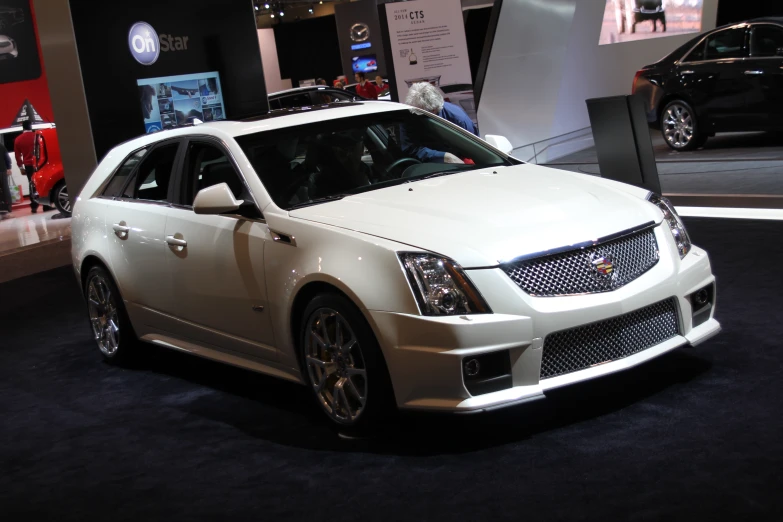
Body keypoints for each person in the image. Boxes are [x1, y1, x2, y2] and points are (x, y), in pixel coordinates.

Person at [403, 82, 478, 163]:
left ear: (434, 109)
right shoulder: (410, 115)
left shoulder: (458, 119)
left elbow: (476, 149)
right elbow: (409, 148)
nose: (417, 115)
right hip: (421, 165)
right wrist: (444, 156)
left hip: (458, 164)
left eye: (422, 112)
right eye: (416, 111)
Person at [13, 119, 40, 213]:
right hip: (40, 163)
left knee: (31, 184)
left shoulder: (18, 139)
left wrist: (20, 167)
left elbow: (17, 155)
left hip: (28, 165)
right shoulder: (37, 136)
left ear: (23, 127)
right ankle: (45, 204)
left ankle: (34, 206)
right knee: (42, 182)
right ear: (31, 126)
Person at [0, 140, 13, 219]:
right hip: (2, 171)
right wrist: (8, 168)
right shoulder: (1, 146)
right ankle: (8, 207)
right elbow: (7, 158)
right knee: (5, 189)